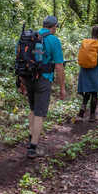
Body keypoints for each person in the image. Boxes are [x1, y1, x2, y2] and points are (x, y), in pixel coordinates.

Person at [19, 15, 66, 158]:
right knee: (39, 112)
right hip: (44, 79)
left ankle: (31, 138)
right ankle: (33, 147)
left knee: (33, 109)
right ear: (54, 27)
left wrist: (21, 81)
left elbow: (20, 59)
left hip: (28, 78)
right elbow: (59, 66)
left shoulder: (29, 36)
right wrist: (62, 87)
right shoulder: (54, 40)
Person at [77, 25, 98, 122]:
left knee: (87, 91)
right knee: (94, 93)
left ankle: (81, 113)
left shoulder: (84, 43)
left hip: (84, 70)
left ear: (91, 33)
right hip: (95, 70)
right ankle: (92, 116)